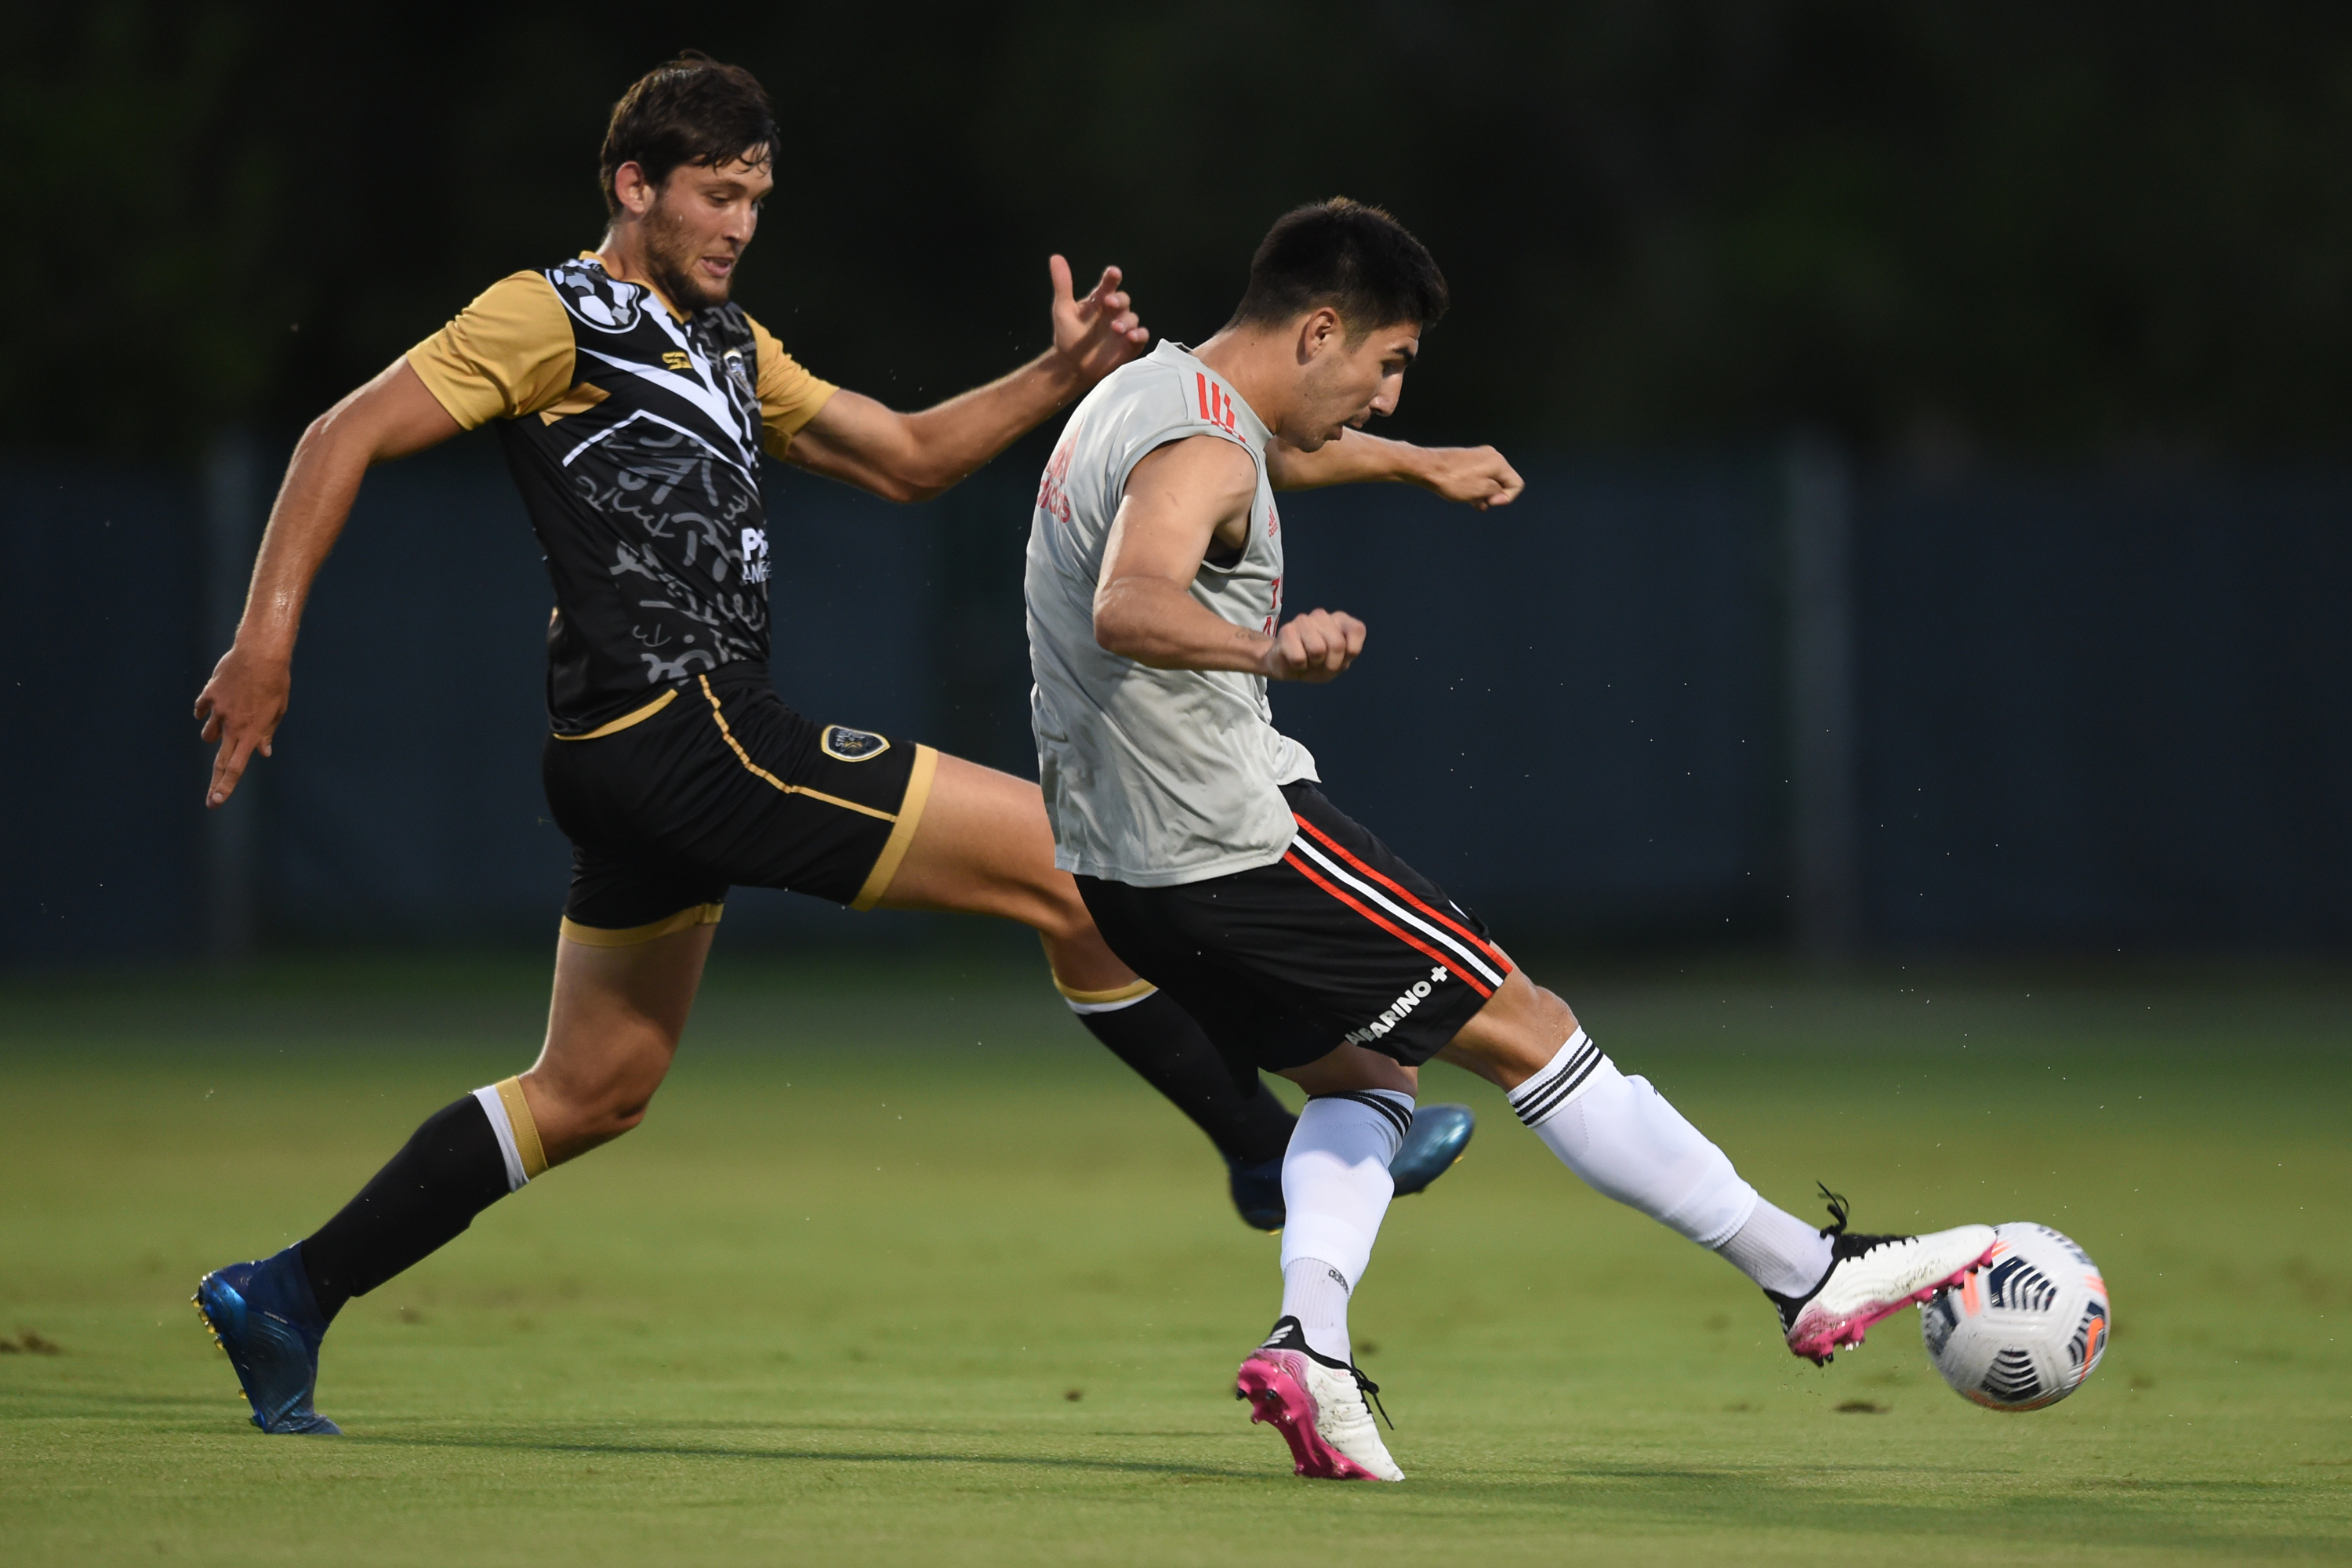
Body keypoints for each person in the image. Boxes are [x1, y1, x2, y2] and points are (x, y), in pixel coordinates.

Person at [187, 57, 1525, 1436]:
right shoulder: (554, 312)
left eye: (757, 197)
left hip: (630, 757)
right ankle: (1262, 1151)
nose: (740, 222)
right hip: (689, 732)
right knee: (1075, 870)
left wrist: (1057, 375)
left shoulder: (724, 341)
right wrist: (266, 638)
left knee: (593, 1091)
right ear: (630, 185)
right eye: (716, 193)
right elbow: (339, 430)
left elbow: (903, 456)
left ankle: (290, 1290)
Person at [1022, 197, 1998, 1482]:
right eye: (1388, 364)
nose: (1383, 396)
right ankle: (1803, 1274)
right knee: (1529, 1025)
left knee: (1367, 1084)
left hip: (1122, 870)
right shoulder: (1207, 452)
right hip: (1239, 842)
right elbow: (1133, 601)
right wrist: (1269, 645)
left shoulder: (1149, 396)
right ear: (1321, 330)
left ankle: (1309, 1349)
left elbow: (1258, 468)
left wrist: (1418, 461)